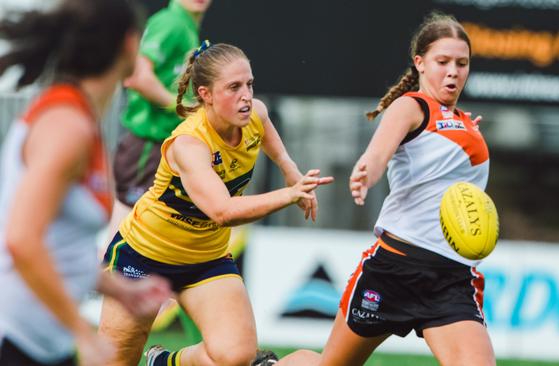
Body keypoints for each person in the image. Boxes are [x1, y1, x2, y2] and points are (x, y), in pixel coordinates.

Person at [276, 11, 495, 366]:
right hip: (394, 269)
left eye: (462, 63)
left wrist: (464, 130)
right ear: (420, 63)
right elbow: (381, 150)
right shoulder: (410, 106)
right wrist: (368, 170)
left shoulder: (467, 123)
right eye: (443, 61)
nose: (453, 71)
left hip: (450, 279)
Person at [98, 41, 333, 366]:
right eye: (234, 87)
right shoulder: (190, 144)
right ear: (205, 94)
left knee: (237, 356)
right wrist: (289, 194)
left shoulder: (256, 115)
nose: (246, 96)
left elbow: (268, 134)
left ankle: (164, 362)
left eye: (249, 84)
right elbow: (221, 212)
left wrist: (289, 169)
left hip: (205, 260)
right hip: (145, 255)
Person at [0, 1, 171, 366]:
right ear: (129, 44)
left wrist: (122, 289)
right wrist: (81, 331)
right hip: (13, 340)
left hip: (43, 345)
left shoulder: (80, 118)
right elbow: (21, 241)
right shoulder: (67, 125)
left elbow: (60, 247)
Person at [107, 0, 213, 249]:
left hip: (161, 144)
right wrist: (185, 110)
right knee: (125, 229)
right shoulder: (171, 23)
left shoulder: (186, 26)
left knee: (143, 229)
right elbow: (137, 77)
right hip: (147, 142)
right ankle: (104, 284)